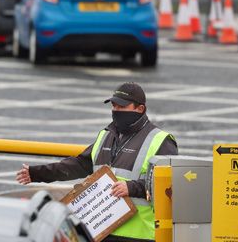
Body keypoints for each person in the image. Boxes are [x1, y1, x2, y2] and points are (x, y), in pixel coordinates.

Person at [15, 82, 177, 242]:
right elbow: (78, 165)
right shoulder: (106, 135)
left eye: (122, 107)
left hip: (139, 235)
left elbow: (170, 185)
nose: (116, 111)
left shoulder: (160, 140)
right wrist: (36, 173)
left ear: (140, 109)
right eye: (114, 106)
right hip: (102, 230)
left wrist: (132, 187)